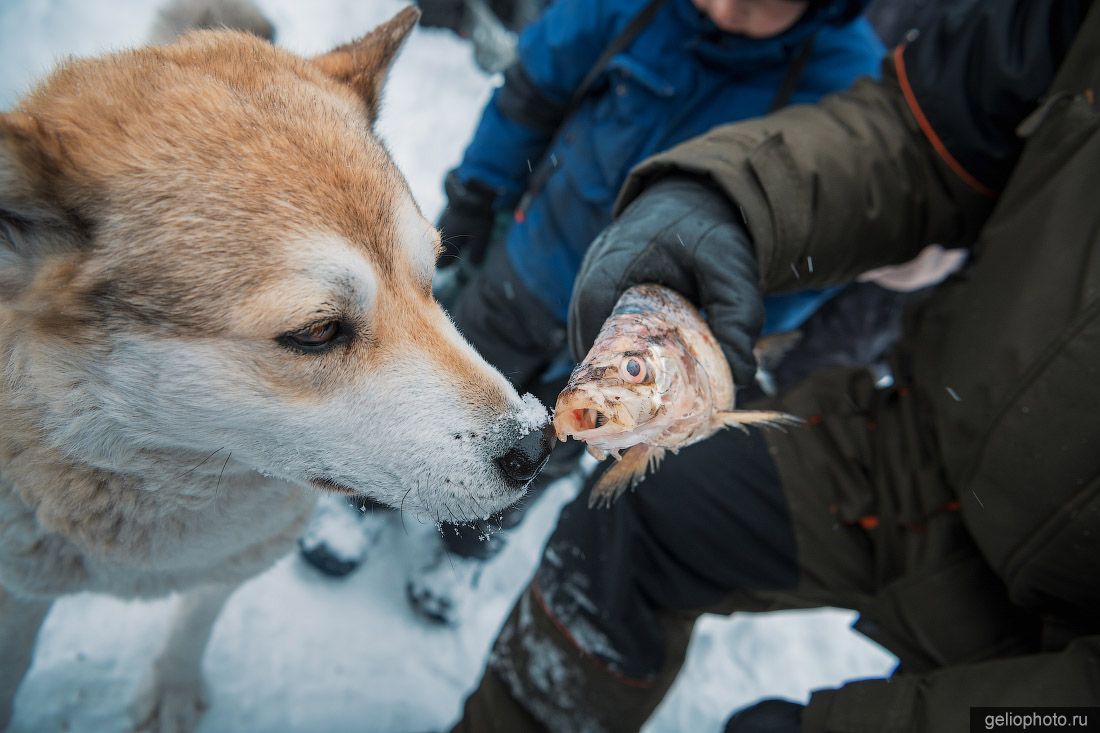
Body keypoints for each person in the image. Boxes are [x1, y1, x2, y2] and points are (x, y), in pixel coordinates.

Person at [448, 0, 1100, 730]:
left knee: (551, 457)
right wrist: (733, 198)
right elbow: (921, 136)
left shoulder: (835, 61)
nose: (731, 8)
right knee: (611, 496)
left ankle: (472, 533)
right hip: (921, 438)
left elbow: (810, 295)